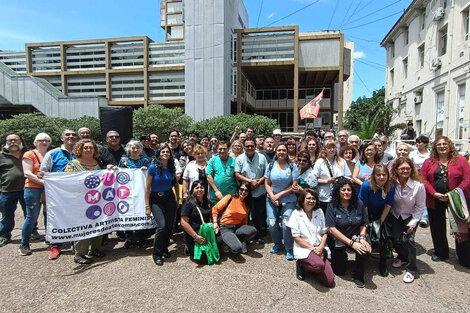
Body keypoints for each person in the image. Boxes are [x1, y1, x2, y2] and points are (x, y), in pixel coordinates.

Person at [420, 136, 470, 264]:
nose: (442, 146)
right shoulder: (429, 162)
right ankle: (441, 252)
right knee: (437, 227)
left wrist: (453, 193)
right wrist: (434, 193)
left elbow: (467, 178)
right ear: (435, 147)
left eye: (444, 144)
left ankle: (464, 257)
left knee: (461, 227)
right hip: (435, 198)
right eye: (439, 144)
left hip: (457, 198)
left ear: (450, 145)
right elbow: (423, 179)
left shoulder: (461, 160)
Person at [64, 139, 105, 264]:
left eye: (91, 148)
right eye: (85, 148)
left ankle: (95, 249)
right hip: (80, 200)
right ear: (80, 149)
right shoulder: (73, 164)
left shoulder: (98, 162)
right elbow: (67, 180)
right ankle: (80, 253)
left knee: (98, 224)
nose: (88, 150)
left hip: (97, 199)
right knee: (83, 226)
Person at [326, 177, 371, 288]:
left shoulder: (359, 203)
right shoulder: (332, 206)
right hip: (339, 239)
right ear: (338, 191)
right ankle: (340, 256)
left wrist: (362, 238)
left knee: (364, 249)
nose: (346, 192)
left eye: (349, 190)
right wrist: (351, 244)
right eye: (343, 190)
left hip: (355, 235)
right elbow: (331, 229)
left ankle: (358, 274)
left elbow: (364, 223)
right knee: (339, 271)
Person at [40, 128, 77, 260]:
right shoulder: (53, 153)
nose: (71, 137)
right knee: (56, 217)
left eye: (73, 135)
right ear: (62, 138)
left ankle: (75, 242)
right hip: (57, 194)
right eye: (67, 135)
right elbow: (43, 173)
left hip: (76, 193)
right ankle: (55, 245)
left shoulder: (80, 153)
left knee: (75, 216)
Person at [287, 189, 334, 287]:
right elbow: (296, 238)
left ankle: (316, 263)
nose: (311, 201)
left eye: (313, 198)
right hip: (305, 248)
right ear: (302, 200)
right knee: (319, 265)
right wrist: (314, 249)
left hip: (319, 247)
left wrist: (321, 247)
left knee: (329, 282)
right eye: (308, 198)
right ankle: (301, 263)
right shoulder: (296, 214)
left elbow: (324, 232)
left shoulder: (319, 211)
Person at [389, 157, 426, 283]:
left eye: (407, 168)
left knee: (409, 241)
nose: (405, 170)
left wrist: (413, 223)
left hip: (410, 216)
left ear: (411, 169)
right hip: (395, 214)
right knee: (396, 239)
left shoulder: (418, 186)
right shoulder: (392, 183)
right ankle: (402, 257)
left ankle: (411, 269)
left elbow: (420, 207)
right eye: (402, 168)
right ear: (396, 170)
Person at [145, 144, 179, 266]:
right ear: (159, 154)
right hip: (156, 199)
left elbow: (175, 183)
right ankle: (157, 254)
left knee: (169, 226)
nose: (165, 153)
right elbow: (147, 188)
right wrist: (147, 206)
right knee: (162, 226)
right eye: (163, 151)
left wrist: (177, 198)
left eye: (167, 152)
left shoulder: (171, 167)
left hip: (169, 197)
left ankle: (164, 248)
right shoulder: (153, 167)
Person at [358, 164, 395, 277]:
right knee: (366, 234)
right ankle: (362, 262)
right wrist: (368, 221)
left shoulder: (391, 187)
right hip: (367, 212)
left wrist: (380, 222)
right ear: (374, 176)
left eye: (384, 175)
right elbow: (363, 204)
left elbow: (388, 205)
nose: (381, 177)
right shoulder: (366, 185)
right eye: (378, 175)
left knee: (383, 236)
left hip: (382, 213)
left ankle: (383, 262)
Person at [265, 143, 299, 260]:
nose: (281, 152)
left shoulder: (292, 166)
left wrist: (278, 195)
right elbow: (267, 184)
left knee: (286, 224)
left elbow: (294, 186)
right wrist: (272, 196)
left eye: (283, 150)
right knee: (272, 223)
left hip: (288, 199)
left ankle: (289, 248)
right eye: (279, 150)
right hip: (272, 199)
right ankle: (277, 244)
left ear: (287, 152)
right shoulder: (270, 165)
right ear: (276, 151)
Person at [18, 133, 51, 255]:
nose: (43, 142)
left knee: (49, 214)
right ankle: (24, 243)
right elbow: (27, 173)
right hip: (33, 188)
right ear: (35, 142)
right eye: (41, 140)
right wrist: (43, 182)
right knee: (32, 216)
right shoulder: (29, 154)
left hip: (48, 189)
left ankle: (50, 238)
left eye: (46, 140)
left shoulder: (50, 154)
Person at [118, 140, 151, 248]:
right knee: (127, 212)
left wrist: (147, 169)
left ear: (140, 149)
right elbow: (118, 175)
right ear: (129, 149)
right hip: (126, 193)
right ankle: (129, 238)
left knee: (140, 212)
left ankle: (141, 238)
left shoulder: (145, 160)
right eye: (133, 148)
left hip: (141, 192)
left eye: (137, 148)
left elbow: (150, 173)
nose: (135, 150)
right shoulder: (123, 161)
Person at [235, 138, 268, 243]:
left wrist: (258, 182)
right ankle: (246, 237)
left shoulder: (262, 157)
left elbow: (267, 173)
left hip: (259, 191)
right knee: (245, 215)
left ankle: (259, 235)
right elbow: (237, 174)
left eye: (252, 146)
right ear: (244, 147)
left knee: (258, 214)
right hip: (245, 193)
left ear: (255, 146)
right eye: (247, 146)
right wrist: (249, 181)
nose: (250, 148)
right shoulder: (239, 158)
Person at [212, 182, 257, 254]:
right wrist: (215, 223)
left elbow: (244, 220)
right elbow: (215, 208)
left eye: (246, 190)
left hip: (237, 227)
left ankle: (238, 240)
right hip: (225, 227)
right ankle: (226, 242)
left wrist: (244, 230)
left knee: (253, 230)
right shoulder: (230, 197)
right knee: (237, 249)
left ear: (249, 192)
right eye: (241, 189)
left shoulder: (247, 204)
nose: (243, 192)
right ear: (238, 189)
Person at [0, 133, 27, 248]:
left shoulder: (27, 154)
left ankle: (33, 231)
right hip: (7, 190)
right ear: (6, 142)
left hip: (27, 189)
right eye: (10, 140)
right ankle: (5, 235)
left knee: (30, 213)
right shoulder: (1, 156)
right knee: (7, 214)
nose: (13, 142)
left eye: (15, 140)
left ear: (20, 141)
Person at [312, 139, 351, 213]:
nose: (332, 150)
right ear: (325, 150)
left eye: (333, 147)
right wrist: (326, 181)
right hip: (324, 196)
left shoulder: (342, 161)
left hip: (339, 196)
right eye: (329, 148)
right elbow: (314, 179)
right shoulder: (320, 162)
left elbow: (348, 176)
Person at [181, 180, 211, 257]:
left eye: (201, 187)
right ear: (192, 190)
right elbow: (183, 223)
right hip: (194, 235)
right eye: (196, 188)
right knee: (203, 258)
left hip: (206, 233)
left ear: (205, 190)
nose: (199, 189)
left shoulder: (208, 202)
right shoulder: (188, 203)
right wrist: (196, 237)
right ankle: (188, 247)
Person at [409, 135, 430, 227]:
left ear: (425, 144)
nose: (418, 144)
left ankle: (425, 217)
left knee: (426, 196)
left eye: (420, 142)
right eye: (417, 142)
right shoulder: (413, 154)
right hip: (416, 176)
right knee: (419, 195)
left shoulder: (431, 154)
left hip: (428, 177)